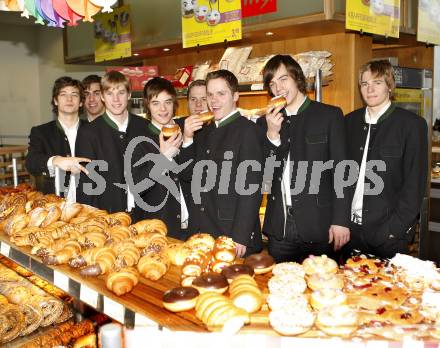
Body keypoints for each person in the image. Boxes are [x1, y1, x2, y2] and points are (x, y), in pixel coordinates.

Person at [257, 54, 351, 263]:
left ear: (297, 78)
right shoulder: (265, 123)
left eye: (283, 79)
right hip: (279, 227)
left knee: (324, 289)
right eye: (272, 83)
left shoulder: (329, 116)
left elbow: (342, 172)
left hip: (320, 225)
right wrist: (272, 135)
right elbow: (265, 176)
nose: (278, 88)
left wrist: (341, 220)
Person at [344, 59, 428, 259]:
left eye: (377, 83)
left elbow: (414, 184)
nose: (370, 89)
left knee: (389, 289)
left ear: (389, 86)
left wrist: (395, 229)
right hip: (350, 231)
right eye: (365, 84)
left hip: (388, 234)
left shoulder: (411, 125)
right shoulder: (349, 122)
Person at [180, 70, 264, 257]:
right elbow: (187, 176)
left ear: (235, 96)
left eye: (221, 94)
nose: (214, 100)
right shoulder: (203, 131)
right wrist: (187, 139)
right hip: (202, 231)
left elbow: (251, 188)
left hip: (231, 234)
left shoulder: (248, 131)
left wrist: (241, 236)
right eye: (210, 94)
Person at [76, 70, 149, 213]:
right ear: (102, 97)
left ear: (129, 95)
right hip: (108, 216)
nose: (116, 99)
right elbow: (87, 185)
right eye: (110, 94)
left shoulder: (145, 127)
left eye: (121, 93)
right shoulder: (89, 133)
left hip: (146, 215)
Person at [131, 77, 191, 239]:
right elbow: (138, 186)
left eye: (168, 102)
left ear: (175, 103)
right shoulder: (139, 140)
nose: (163, 109)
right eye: (156, 103)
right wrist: (163, 158)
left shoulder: (186, 130)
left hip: (193, 225)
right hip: (159, 228)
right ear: (148, 105)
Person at [25, 76, 90, 201]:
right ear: (55, 100)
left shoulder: (95, 130)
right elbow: (31, 162)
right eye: (63, 94)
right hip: (53, 205)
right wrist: (56, 160)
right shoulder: (41, 132)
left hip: (90, 205)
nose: (69, 99)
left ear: (81, 102)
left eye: (74, 95)